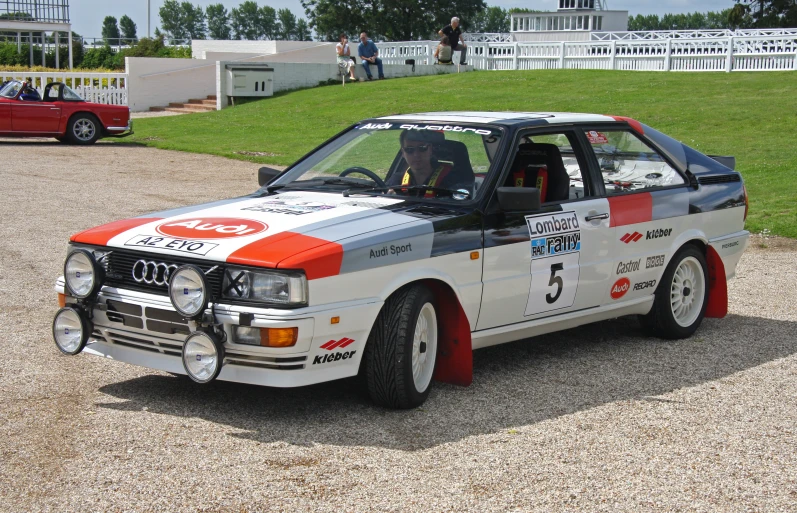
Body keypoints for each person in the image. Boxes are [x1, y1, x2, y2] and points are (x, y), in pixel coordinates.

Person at [387, 130, 473, 197]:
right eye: (409, 150)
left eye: (422, 148)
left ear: (430, 149)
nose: (416, 155)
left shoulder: (452, 179)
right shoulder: (396, 181)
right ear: (403, 153)